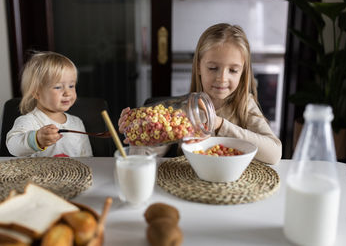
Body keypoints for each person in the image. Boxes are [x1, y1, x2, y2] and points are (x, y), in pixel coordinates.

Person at [119, 23, 282, 164]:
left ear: (242, 72)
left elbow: (274, 154)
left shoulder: (245, 104)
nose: (222, 78)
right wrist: (139, 132)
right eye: (213, 68)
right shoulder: (184, 111)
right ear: (198, 67)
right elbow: (139, 159)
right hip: (186, 186)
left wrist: (219, 125)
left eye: (233, 70)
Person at [6, 51, 93, 157]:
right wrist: (37, 139)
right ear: (37, 93)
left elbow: (87, 156)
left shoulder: (77, 122)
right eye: (58, 87)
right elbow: (13, 147)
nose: (67, 92)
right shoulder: (29, 121)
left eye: (71, 86)